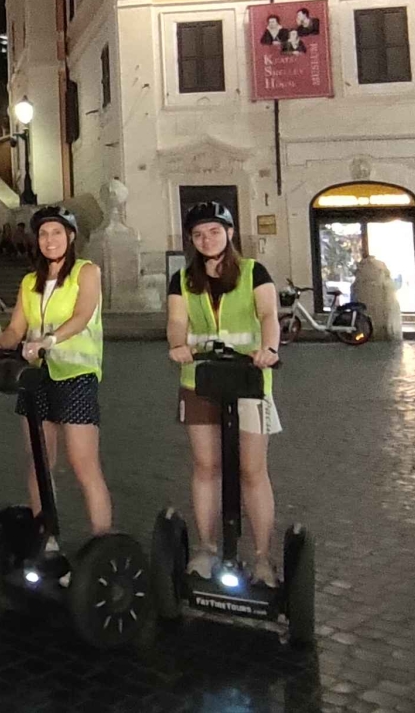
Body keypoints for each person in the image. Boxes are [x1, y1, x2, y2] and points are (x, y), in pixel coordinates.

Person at [165, 201, 282, 587]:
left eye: (214, 231)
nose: (206, 239)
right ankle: (207, 547)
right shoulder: (182, 279)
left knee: (252, 469)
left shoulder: (253, 272)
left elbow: (268, 314)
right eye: (198, 234)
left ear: (230, 233)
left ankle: (263, 558)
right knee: (206, 466)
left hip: (249, 378)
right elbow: (177, 320)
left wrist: (269, 349)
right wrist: (178, 344)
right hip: (199, 379)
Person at [0, 207, 112, 538]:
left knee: (83, 464)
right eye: (43, 234)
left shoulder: (86, 272)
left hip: (77, 375)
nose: (49, 240)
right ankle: (44, 535)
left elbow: (83, 315)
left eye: (56, 232)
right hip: (37, 376)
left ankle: (103, 540)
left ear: (70, 236)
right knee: (40, 462)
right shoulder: (29, 282)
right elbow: (16, 329)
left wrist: (48, 340)